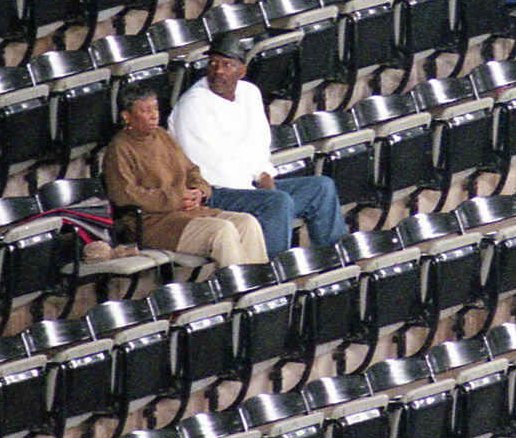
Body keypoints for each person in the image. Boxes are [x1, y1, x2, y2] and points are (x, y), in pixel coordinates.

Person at [169, 35, 347, 257]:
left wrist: (264, 175)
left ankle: (335, 261)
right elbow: (207, 167)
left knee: (322, 188)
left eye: (227, 64)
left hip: (250, 185)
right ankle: (273, 278)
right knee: (277, 203)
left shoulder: (249, 93)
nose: (218, 71)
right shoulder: (194, 104)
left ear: (241, 71)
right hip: (216, 191)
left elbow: (259, 142)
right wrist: (258, 193)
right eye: (213, 63)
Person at [102, 89, 268, 267]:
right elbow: (124, 194)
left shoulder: (163, 136)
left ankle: (258, 286)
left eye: (155, 109)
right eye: (145, 111)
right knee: (222, 230)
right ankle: (236, 289)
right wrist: (175, 198)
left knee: (247, 223)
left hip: (190, 212)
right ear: (127, 116)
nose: (153, 116)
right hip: (155, 223)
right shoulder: (119, 147)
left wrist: (199, 192)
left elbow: (192, 170)